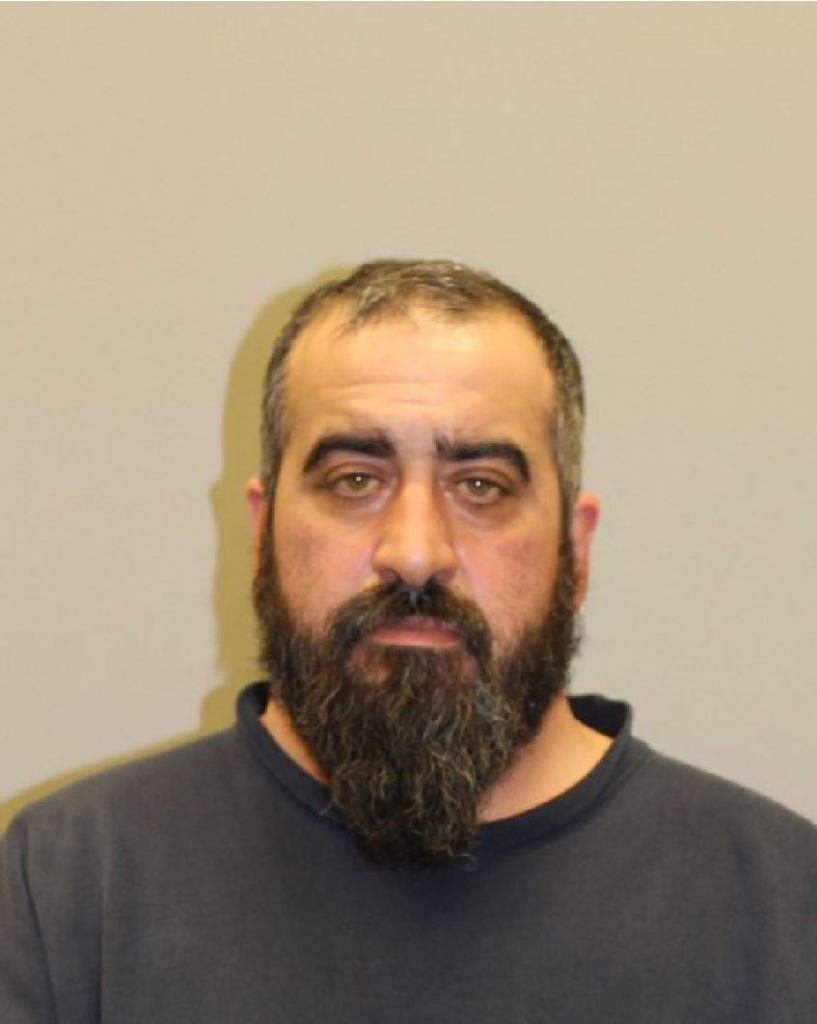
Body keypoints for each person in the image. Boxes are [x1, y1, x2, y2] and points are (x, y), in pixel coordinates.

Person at [1, 260, 815, 1023]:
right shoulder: (66, 884)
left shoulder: (781, 901)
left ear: (575, 551)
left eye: (481, 486)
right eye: (354, 480)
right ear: (260, 533)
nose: (416, 553)